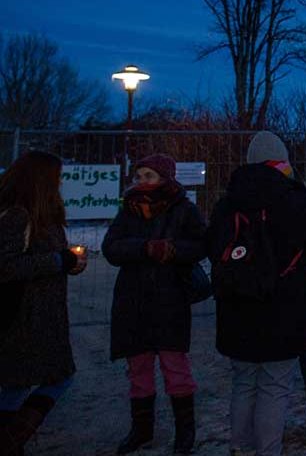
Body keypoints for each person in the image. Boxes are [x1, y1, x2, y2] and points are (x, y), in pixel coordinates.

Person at [207, 131, 306, 456]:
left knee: (243, 383)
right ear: (283, 160)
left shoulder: (229, 201)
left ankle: (239, 448)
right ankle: (267, 450)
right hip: (286, 310)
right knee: (274, 389)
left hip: (237, 309)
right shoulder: (297, 197)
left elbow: (212, 247)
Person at [103, 154, 207, 455]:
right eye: (139, 176)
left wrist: (172, 251)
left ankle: (185, 432)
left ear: (165, 177)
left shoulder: (184, 209)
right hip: (132, 299)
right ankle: (141, 429)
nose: (142, 182)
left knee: (175, 366)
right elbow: (110, 247)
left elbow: (200, 245)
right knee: (138, 367)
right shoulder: (128, 209)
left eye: (149, 176)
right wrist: (145, 249)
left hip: (170, 298)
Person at [0, 151, 87, 455]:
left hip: (41, 315)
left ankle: (10, 439)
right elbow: (5, 266)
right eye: (57, 177)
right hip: (23, 316)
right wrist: (56, 260)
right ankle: (9, 441)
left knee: (25, 383)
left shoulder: (40, 214)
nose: (61, 183)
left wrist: (69, 263)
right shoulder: (17, 216)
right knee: (37, 381)